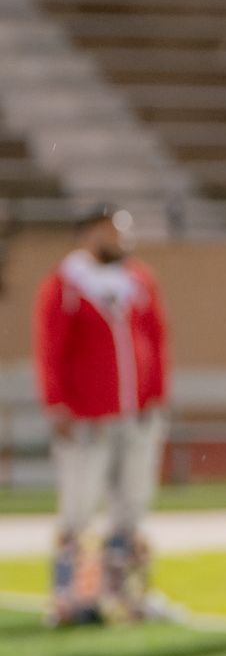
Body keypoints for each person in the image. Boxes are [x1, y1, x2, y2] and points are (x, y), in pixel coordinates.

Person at [32, 202, 169, 625]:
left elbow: (157, 339)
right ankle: (74, 596)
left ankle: (125, 594)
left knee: (132, 505)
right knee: (79, 506)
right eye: (112, 231)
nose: (121, 240)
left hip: (136, 414)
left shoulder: (138, 280)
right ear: (89, 233)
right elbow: (50, 349)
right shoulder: (66, 285)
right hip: (88, 415)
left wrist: (156, 395)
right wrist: (58, 404)